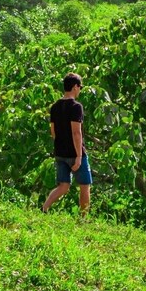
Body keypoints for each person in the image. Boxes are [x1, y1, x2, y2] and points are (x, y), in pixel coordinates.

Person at [42, 72, 92, 215]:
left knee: (63, 186)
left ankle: (44, 208)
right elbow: (76, 132)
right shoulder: (76, 107)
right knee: (85, 186)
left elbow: (53, 131)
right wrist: (78, 156)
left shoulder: (55, 106)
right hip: (75, 153)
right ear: (75, 87)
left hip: (60, 152)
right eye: (80, 87)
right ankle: (84, 218)